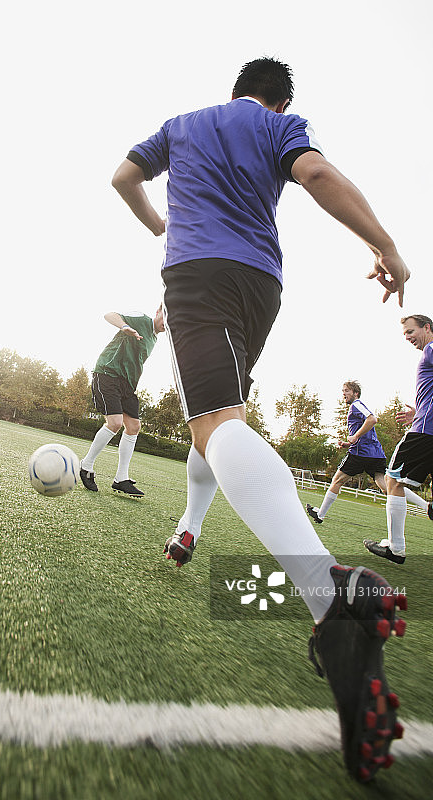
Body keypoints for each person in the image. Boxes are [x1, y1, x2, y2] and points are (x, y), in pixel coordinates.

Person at [112, 57, 409, 782]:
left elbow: (123, 177)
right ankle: (191, 524)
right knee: (218, 422)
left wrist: (160, 222)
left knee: (214, 422)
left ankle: (327, 591)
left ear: (241, 89)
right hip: (261, 284)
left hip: (197, 273)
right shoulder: (279, 125)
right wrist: (384, 245)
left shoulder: (184, 124)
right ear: (280, 100)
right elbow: (314, 175)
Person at [307, 380, 430, 525]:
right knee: (389, 486)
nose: (344, 394)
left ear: (355, 393)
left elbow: (372, 419)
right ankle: (426, 506)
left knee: (337, 481)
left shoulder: (356, 405)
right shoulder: (356, 407)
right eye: (343, 391)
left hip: (360, 453)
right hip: (375, 454)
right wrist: (349, 442)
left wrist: (355, 437)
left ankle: (320, 515)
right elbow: (366, 429)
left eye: (347, 391)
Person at [364, 314, 433, 564]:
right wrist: (419, 412)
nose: (407, 337)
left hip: (424, 432)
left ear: (427, 327)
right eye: (404, 333)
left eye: (410, 331)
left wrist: (423, 417)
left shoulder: (431, 349)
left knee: (393, 479)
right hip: (425, 424)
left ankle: (396, 548)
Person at [79, 307, 164, 496]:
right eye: (168, 317)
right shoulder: (141, 319)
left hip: (127, 385)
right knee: (115, 423)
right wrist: (125, 327)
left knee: (134, 427)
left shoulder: (154, 338)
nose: (169, 324)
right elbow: (109, 315)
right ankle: (86, 465)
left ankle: (121, 478)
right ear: (159, 310)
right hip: (108, 374)